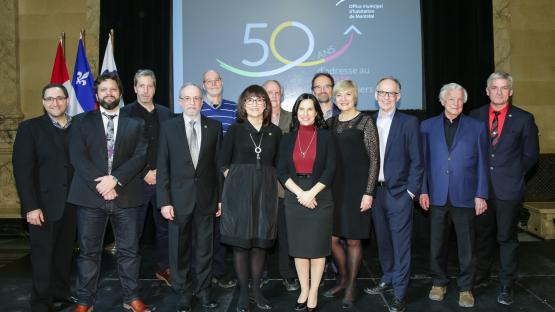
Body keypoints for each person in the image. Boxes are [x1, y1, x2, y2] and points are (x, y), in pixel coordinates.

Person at [68, 72, 151, 312]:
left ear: (120, 93)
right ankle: (85, 300)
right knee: (88, 253)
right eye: (103, 90)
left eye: (113, 89)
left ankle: (132, 297)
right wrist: (102, 185)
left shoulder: (136, 123)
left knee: (130, 251)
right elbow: (77, 157)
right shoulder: (80, 121)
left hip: (126, 195)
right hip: (90, 196)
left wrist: (114, 180)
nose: (109, 93)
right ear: (96, 94)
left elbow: (140, 156)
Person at [470, 72, 539, 305]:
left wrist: (514, 175)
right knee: (482, 236)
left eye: (503, 88)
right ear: (487, 91)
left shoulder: (523, 118)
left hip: (508, 190)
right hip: (481, 190)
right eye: (494, 87)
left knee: (506, 237)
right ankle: (481, 275)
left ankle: (506, 283)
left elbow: (530, 156)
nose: (499, 92)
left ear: (510, 91)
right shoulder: (475, 116)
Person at [419, 83, 488, 308]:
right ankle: (438, 282)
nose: (456, 104)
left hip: (466, 195)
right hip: (436, 195)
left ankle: (466, 288)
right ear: (442, 101)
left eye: (460, 100)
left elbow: (482, 163)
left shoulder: (477, 127)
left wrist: (481, 194)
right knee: (437, 243)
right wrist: (423, 190)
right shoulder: (426, 127)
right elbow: (423, 163)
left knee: (466, 246)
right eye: (451, 99)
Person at [157, 83, 222, 312]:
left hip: (206, 199)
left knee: (205, 249)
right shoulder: (168, 127)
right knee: (179, 249)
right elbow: (162, 167)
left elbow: (217, 166)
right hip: (176, 201)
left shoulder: (214, 127)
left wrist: (220, 199)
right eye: (188, 98)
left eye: (196, 98)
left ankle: (204, 291)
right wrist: (164, 200)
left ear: (201, 101)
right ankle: (183, 292)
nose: (192, 102)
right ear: (180, 101)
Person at [12, 83, 77, 312]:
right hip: (42, 205)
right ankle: (40, 302)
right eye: (49, 99)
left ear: (67, 101)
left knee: (64, 253)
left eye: (59, 98)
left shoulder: (78, 126)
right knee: (42, 256)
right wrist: (30, 206)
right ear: (43, 102)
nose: (55, 103)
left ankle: (60, 292)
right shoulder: (29, 128)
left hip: (72, 204)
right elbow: (22, 171)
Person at [218, 85, 282, 312]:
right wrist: (237, 179)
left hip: (265, 190)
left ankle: (256, 290)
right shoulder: (235, 130)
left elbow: (279, 164)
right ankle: (244, 292)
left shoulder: (275, 131)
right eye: (250, 100)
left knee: (260, 243)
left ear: (266, 104)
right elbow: (222, 161)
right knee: (241, 244)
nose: (255, 104)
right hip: (238, 192)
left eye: (259, 100)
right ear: (243, 105)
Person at [364, 77, 423, 312]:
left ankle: (399, 292)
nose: (387, 97)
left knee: (401, 244)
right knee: (384, 241)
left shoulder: (409, 123)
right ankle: (388, 277)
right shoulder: (367, 121)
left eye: (392, 93)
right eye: (383, 92)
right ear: (376, 95)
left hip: (399, 193)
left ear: (398, 96)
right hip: (375, 194)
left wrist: (410, 192)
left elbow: (418, 160)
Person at [277, 93, 336, 312]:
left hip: (320, 194)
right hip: (294, 196)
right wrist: (301, 194)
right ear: (296, 113)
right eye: (301, 109)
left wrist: (311, 193)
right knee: (300, 249)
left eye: (310, 109)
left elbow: (331, 169)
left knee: (317, 249)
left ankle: (313, 294)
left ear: (317, 113)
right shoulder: (286, 138)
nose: (305, 113)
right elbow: (281, 172)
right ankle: (303, 289)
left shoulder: (327, 137)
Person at [325, 80, 379, 309]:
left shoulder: (365, 121)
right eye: (339, 95)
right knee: (332, 238)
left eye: (347, 95)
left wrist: (369, 192)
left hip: (358, 188)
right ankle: (344, 277)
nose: (343, 99)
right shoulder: (329, 123)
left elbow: (374, 158)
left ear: (355, 96)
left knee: (354, 239)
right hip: (334, 188)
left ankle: (351, 286)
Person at [122, 69, 173, 286]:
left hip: (163, 181)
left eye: (149, 85)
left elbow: (172, 147)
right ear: (134, 88)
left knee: (165, 229)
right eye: (141, 85)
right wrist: (145, 173)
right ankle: (129, 277)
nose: (145, 90)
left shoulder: (166, 113)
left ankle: (164, 268)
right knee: (134, 231)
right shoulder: (125, 114)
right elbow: (122, 150)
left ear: (155, 88)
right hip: (136, 182)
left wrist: (160, 172)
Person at [200, 69, 237, 288]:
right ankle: (203, 272)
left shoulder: (234, 108)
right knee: (204, 225)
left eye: (217, 80)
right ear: (204, 85)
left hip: (227, 175)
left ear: (222, 83)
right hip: (202, 176)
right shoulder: (196, 107)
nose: (213, 84)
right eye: (209, 81)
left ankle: (220, 270)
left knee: (222, 225)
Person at [263, 79, 299, 291]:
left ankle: (287, 273)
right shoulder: (256, 120)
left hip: (286, 186)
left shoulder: (292, 119)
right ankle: (263, 272)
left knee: (285, 233)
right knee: (263, 232)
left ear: (282, 95)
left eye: (277, 92)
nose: (274, 96)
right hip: (262, 185)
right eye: (269, 92)